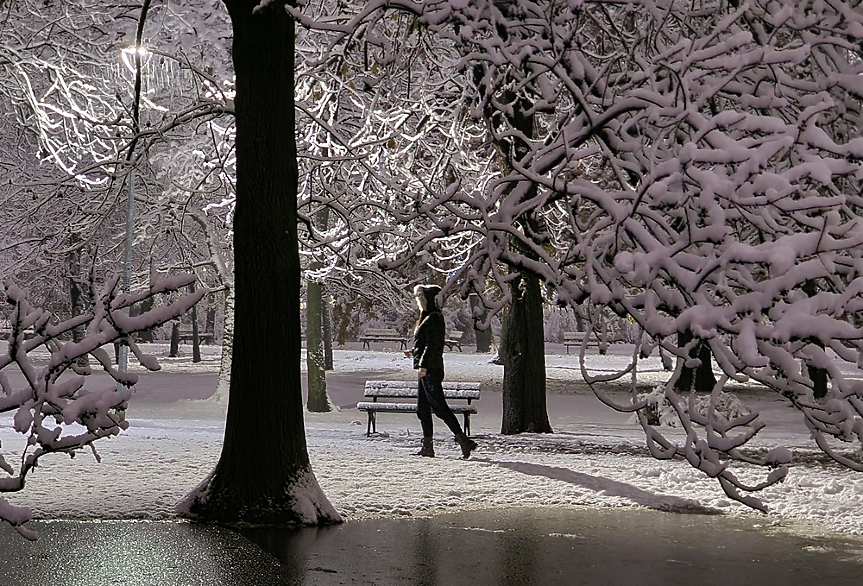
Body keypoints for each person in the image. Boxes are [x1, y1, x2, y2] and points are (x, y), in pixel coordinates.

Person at [403, 284, 477, 459]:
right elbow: (426, 344)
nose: (419, 302)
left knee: (439, 407)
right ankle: (428, 446)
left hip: (430, 369)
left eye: (421, 298)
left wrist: (423, 366)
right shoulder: (429, 317)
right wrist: (414, 353)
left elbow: (434, 346)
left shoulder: (434, 318)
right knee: (422, 409)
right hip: (426, 368)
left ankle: (464, 441)